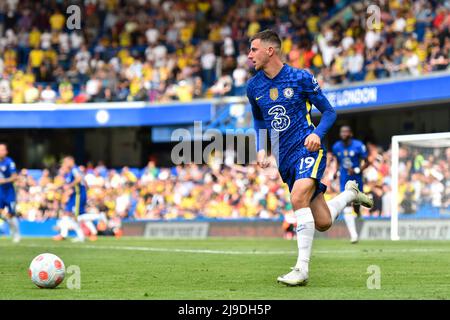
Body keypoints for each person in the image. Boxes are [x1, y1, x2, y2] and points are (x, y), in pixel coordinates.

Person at [247, 30, 373, 286]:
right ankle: (350, 194)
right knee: (324, 222)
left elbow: (329, 112)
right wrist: (262, 149)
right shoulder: (254, 87)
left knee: (297, 198)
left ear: (270, 50)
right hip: (285, 158)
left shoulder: (300, 78)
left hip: (308, 149)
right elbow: (259, 121)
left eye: (253, 49)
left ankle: (301, 269)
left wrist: (317, 134)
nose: (250, 55)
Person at [332, 126, 371, 243]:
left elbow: (367, 161)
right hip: (344, 179)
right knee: (347, 205)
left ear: (351, 133)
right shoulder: (336, 147)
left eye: (345, 132)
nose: (343, 134)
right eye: (341, 131)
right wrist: (336, 171)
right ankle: (354, 235)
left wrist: (357, 170)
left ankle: (358, 214)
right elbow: (338, 161)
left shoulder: (358, 145)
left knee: (356, 205)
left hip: (356, 179)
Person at [53, 156, 87, 242]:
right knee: (68, 214)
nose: (64, 164)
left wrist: (69, 186)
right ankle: (64, 234)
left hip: (78, 195)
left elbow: (78, 179)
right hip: (74, 196)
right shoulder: (71, 171)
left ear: (70, 161)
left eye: (65, 162)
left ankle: (98, 217)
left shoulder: (74, 169)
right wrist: (59, 187)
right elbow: (69, 182)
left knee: (76, 215)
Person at [0, 143, 20, 243]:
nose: (0, 152)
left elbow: (15, 176)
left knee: (11, 214)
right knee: (2, 212)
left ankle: (16, 234)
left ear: (6, 152)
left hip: (9, 191)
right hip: (0, 191)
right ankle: (10, 225)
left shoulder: (9, 162)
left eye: (2, 150)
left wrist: (4, 180)